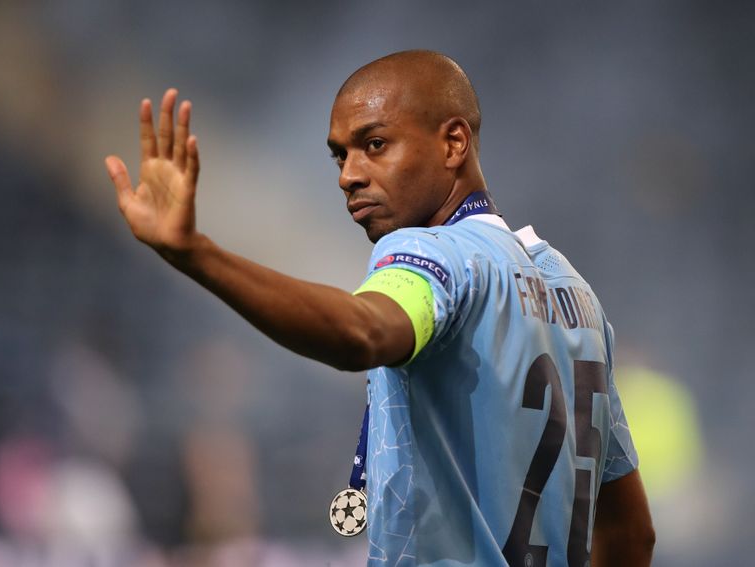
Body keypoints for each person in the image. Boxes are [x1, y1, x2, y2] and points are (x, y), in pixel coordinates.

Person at [105, 50, 655, 566]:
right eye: (339, 155)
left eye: (374, 144)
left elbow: (361, 332)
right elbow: (631, 533)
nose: (348, 175)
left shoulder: (431, 253)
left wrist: (196, 254)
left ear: (454, 143)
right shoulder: (576, 293)